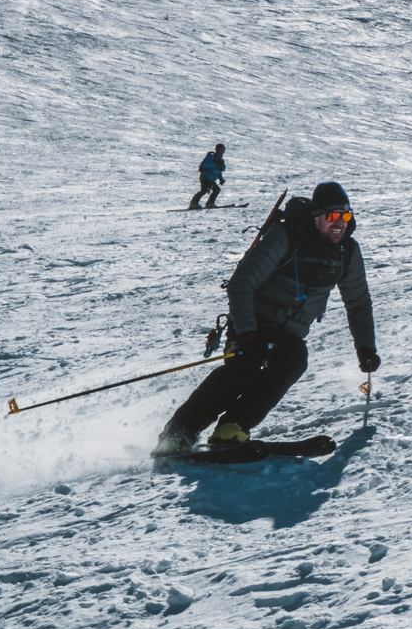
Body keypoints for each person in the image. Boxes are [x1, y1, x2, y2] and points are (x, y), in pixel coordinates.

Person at [155, 181, 380, 454]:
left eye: (346, 215)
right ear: (316, 215)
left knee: (294, 359)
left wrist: (366, 347)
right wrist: (249, 333)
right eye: (334, 215)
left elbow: (357, 303)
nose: (341, 223)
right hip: (252, 322)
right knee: (242, 368)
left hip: (289, 333)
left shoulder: (347, 252)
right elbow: (241, 284)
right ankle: (178, 433)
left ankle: (232, 428)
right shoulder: (286, 236)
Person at [189, 143, 227, 209]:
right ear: (217, 149)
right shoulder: (212, 156)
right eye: (221, 150)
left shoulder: (220, 160)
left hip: (211, 179)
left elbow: (218, 171)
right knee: (204, 190)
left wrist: (221, 179)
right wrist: (214, 164)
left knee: (216, 189)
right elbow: (205, 164)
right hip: (205, 177)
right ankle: (194, 203)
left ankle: (210, 203)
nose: (222, 152)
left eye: (223, 150)